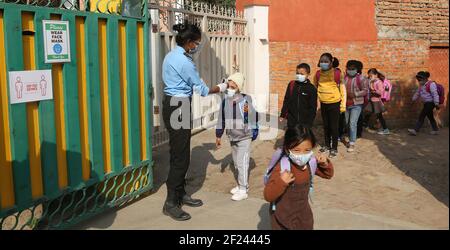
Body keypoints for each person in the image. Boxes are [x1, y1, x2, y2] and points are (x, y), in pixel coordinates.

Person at [162, 22, 229, 221]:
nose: (197, 46)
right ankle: (171, 203)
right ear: (189, 42)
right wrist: (222, 86)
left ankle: (180, 193)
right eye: (197, 43)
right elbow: (203, 89)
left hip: (174, 104)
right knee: (180, 158)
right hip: (179, 107)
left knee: (179, 153)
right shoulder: (184, 62)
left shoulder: (172, 55)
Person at [263, 125, 334, 230]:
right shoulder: (282, 168)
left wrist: (324, 163)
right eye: (297, 150)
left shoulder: (310, 163)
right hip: (282, 219)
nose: (302, 154)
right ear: (288, 149)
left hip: (303, 217)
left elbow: (328, 175)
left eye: (307, 150)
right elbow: (268, 196)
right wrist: (281, 181)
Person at [216, 72, 259, 201]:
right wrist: (218, 135)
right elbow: (221, 119)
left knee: (242, 163)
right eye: (228, 86)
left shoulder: (245, 101)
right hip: (232, 137)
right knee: (236, 162)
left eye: (233, 87)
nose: (230, 89)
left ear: (239, 88)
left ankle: (243, 189)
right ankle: (241, 185)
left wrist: (254, 131)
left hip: (244, 136)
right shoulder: (225, 101)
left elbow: (252, 117)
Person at [313, 53, 346, 158]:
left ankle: (334, 148)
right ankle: (327, 145)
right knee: (326, 126)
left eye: (326, 61)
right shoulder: (317, 74)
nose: (323, 63)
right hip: (324, 104)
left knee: (334, 127)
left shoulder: (337, 74)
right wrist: (317, 103)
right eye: (322, 61)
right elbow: (316, 88)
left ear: (331, 62)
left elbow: (343, 90)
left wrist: (343, 106)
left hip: (335, 104)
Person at [280, 63, 317, 129]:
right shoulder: (292, 85)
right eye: (297, 73)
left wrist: (309, 123)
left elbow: (313, 108)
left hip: (304, 123)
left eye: (302, 74)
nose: (299, 75)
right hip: (291, 121)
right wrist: (282, 115)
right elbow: (286, 100)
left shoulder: (311, 89)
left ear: (308, 74)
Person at [343, 60, 368, 152]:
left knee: (352, 123)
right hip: (345, 104)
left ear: (357, 69)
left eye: (353, 69)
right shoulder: (344, 78)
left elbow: (365, 90)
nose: (350, 70)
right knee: (347, 123)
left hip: (356, 104)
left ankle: (352, 142)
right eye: (349, 68)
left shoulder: (361, 79)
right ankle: (350, 137)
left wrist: (355, 94)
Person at [408, 71, 440, 136]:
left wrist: (436, 103)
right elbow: (417, 93)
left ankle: (415, 130)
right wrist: (413, 100)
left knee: (422, 115)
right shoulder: (421, 86)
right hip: (426, 103)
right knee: (430, 116)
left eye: (420, 79)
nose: (419, 81)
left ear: (425, 78)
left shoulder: (431, 84)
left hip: (431, 103)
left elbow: (435, 94)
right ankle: (435, 130)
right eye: (418, 80)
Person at [364, 68, 390, 135]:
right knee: (367, 112)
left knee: (379, 116)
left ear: (375, 75)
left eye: (371, 76)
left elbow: (380, 92)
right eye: (369, 76)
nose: (370, 77)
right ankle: (365, 125)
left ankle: (386, 129)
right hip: (372, 100)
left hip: (377, 101)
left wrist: (373, 90)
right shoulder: (372, 82)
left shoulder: (379, 82)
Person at [355, 61, 368, 138]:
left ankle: (358, 133)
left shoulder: (362, 78)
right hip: (355, 101)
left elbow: (365, 91)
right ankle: (357, 133)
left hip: (358, 101)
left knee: (358, 118)